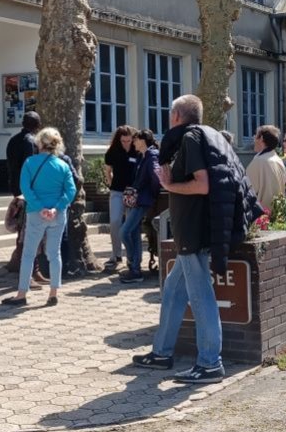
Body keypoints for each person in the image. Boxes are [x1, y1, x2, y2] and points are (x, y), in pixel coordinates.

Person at [131, 95, 260, 384]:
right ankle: (162, 352)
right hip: (199, 229)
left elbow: (202, 185)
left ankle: (210, 363)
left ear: (176, 116)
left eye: (169, 114)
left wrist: (168, 184)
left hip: (194, 231)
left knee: (201, 297)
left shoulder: (189, 139)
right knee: (174, 293)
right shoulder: (209, 135)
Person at [1, 127, 76, 308]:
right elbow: (71, 190)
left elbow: (25, 189)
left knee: (28, 254)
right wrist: (56, 208)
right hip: (57, 215)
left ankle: (21, 294)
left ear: (40, 143)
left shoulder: (30, 162)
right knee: (54, 253)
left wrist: (41, 208)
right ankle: (53, 293)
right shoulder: (63, 165)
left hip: (35, 213)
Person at [5, 111, 45, 283]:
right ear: (37, 126)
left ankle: (32, 270)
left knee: (24, 231)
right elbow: (30, 169)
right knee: (28, 233)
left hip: (16, 188)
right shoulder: (30, 142)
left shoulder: (13, 140)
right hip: (27, 193)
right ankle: (28, 272)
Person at [119, 129, 160, 284]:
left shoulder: (151, 155)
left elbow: (156, 177)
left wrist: (152, 195)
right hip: (137, 199)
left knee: (124, 232)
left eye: (135, 140)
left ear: (142, 141)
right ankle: (135, 269)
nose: (133, 142)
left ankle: (132, 263)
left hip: (142, 200)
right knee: (133, 232)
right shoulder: (142, 156)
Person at [103, 125, 138, 270]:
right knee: (115, 221)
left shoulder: (136, 150)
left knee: (130, 224)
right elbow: (108, 170)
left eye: (128, 140)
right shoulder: (112, 152)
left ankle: (131, 256)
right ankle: (116, 254)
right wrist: (111, 184)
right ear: (119, 139)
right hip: (117, 191)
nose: (126, 143)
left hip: (132, 192)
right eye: (123, 141)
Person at [245, 125, 286, 213]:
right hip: (277, 213)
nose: (253, 139)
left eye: (255, 136)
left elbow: (246, 190)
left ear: (261, 138)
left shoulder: (259, 161)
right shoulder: (278, 160)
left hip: (260, 216)